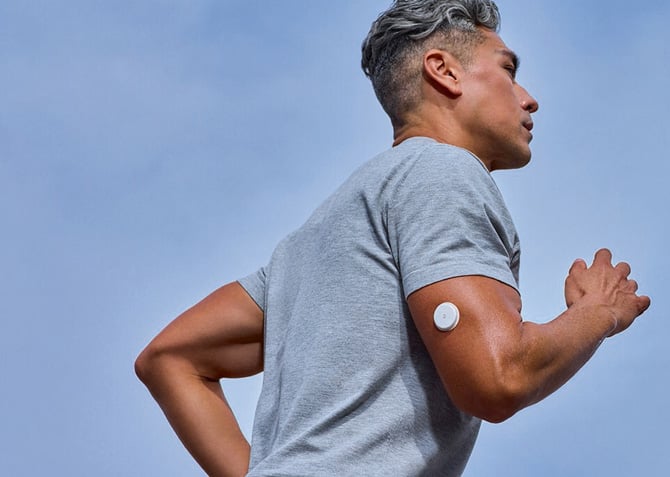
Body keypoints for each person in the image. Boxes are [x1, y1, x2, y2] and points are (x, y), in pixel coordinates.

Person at [135, 0, 651, 475]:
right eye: (508, 71)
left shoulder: (316, 239)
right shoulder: (443, 174)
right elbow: (498, 379)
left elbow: (171, 358)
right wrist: (597, 314)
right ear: (444, 71)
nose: (528, 99)